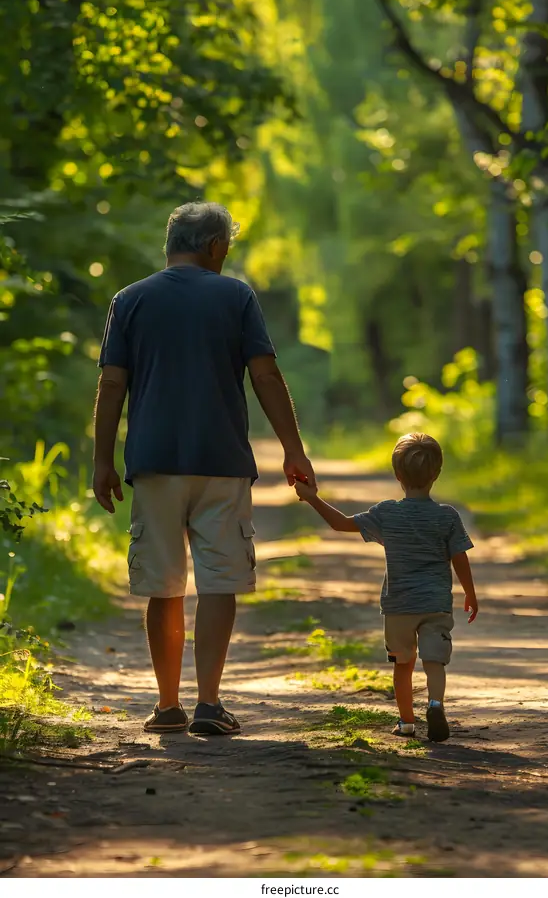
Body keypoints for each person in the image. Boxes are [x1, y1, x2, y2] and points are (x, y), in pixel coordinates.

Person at [93, 201, 315, 735]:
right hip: (222, 463)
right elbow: (265, 376)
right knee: (220, 581)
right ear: (215, 246)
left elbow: (111, 384)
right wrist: (293, 447)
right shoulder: (235, 295)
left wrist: (102, 459)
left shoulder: (129, 300)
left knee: (163, 586)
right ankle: (209, 705)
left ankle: (167, 706)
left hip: (153, 464)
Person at [294, 432, 478, 743]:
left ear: (397, 475)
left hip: (399, 605)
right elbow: (459, 558)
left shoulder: (387, 513)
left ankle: (406, 722)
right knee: (435, 659)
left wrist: (312, 497)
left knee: (403, 664)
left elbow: (340, 523)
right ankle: (435, 705)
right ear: (437, 474)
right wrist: (470, 593)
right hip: (435, 603)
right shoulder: (447, 516)